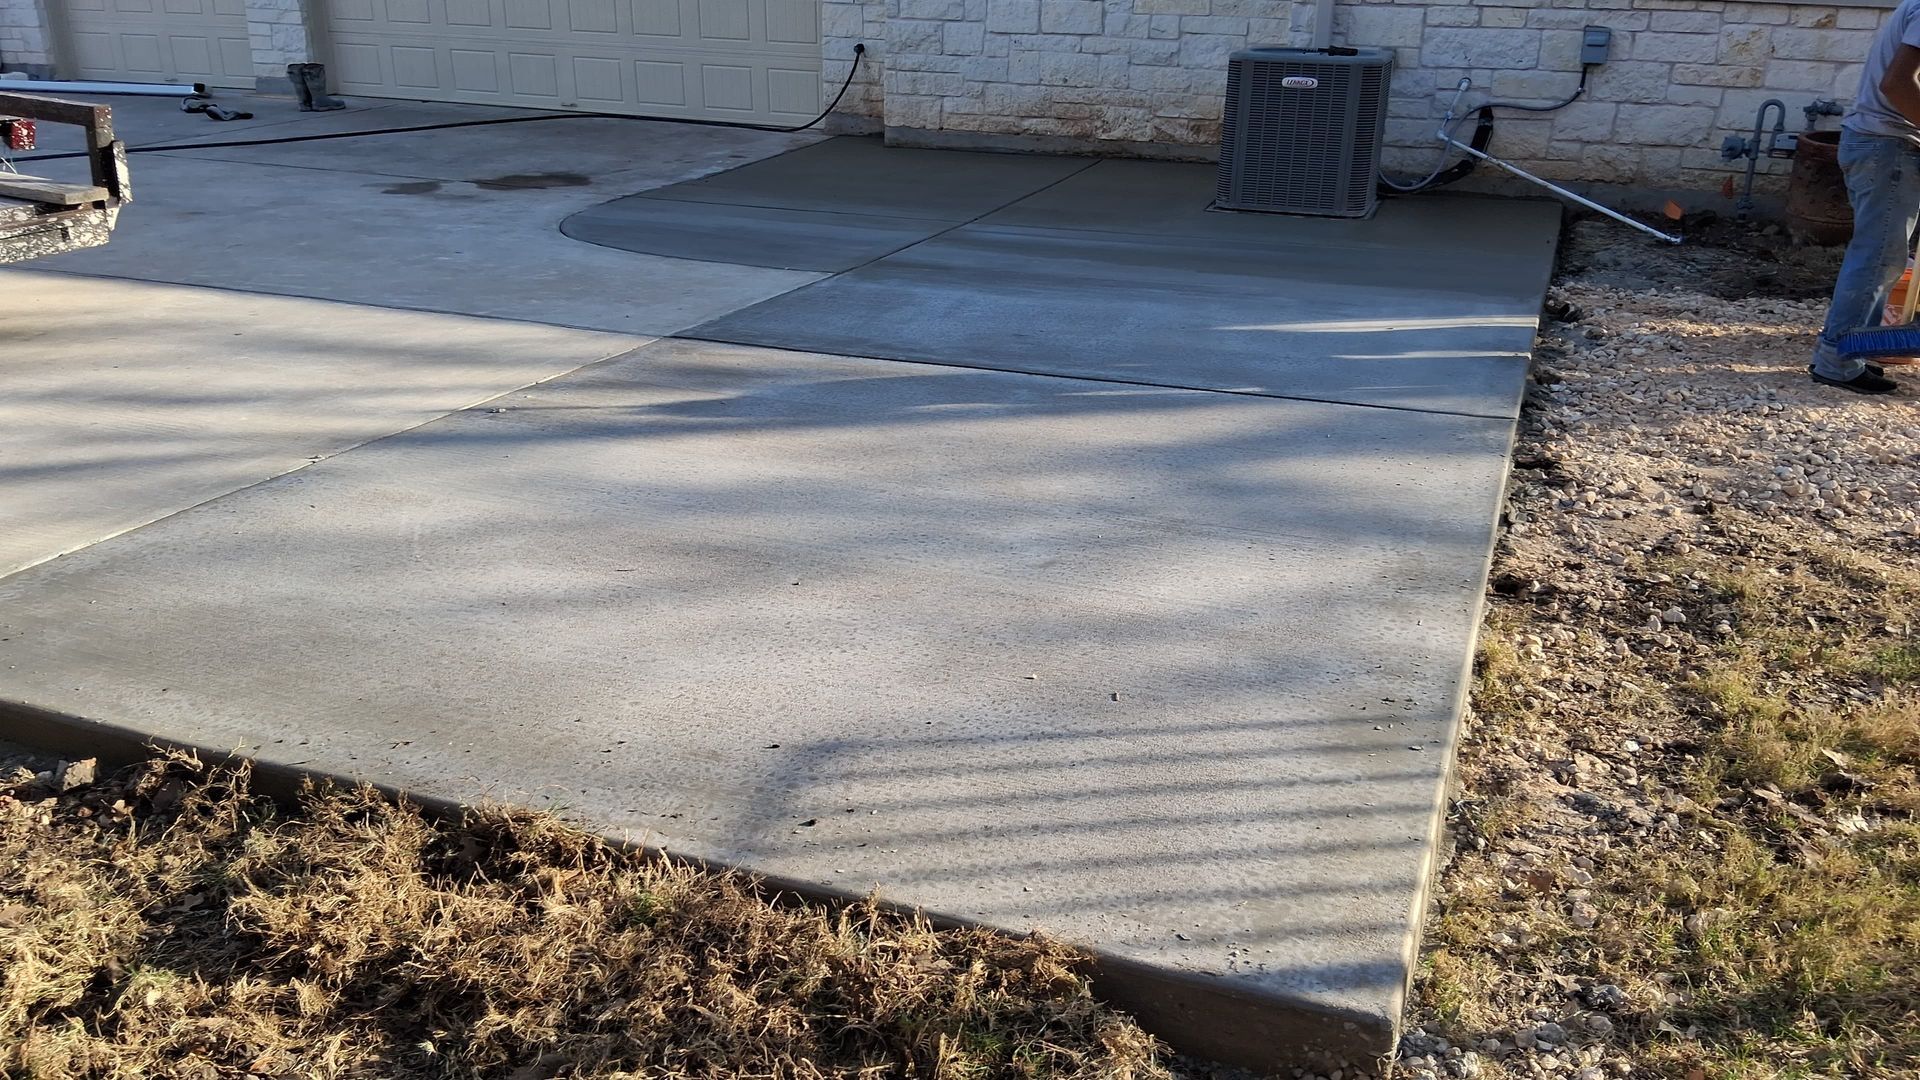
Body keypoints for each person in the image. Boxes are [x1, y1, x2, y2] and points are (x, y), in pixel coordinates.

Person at [1809, 0, 1920, 395]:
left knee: (1882, 257)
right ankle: (1837, 361)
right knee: (1877, 257)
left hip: (1881, 144)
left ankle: (1853, 351)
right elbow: (1897, 83)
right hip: (1887, 145)